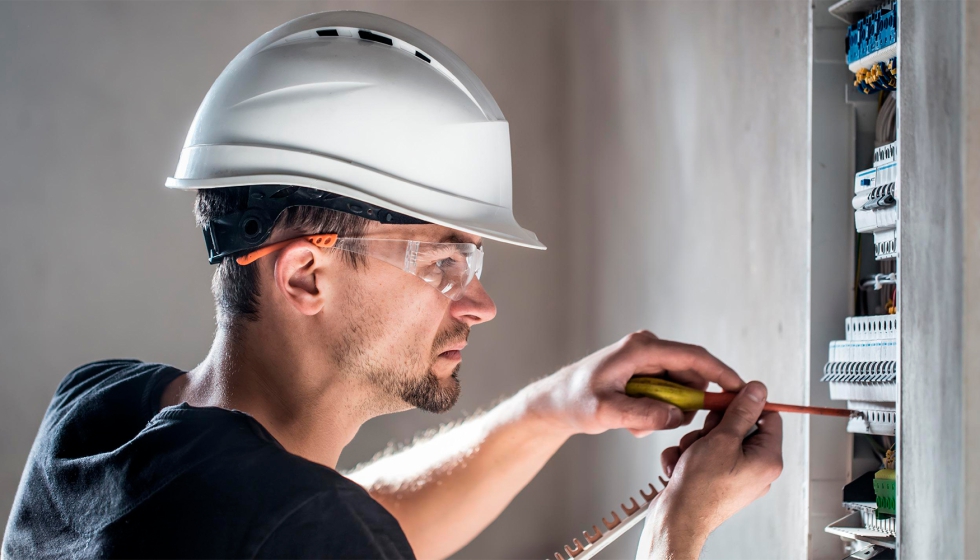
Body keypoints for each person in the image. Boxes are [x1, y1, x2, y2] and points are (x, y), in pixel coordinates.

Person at [2, 11, 782, 560]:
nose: (480, 304)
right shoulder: (301, 527)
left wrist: (553, 408)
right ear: (306, 273)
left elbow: (334, 520)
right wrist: (678, 536)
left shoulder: (96, 414)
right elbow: (313, 528)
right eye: (443, 263)